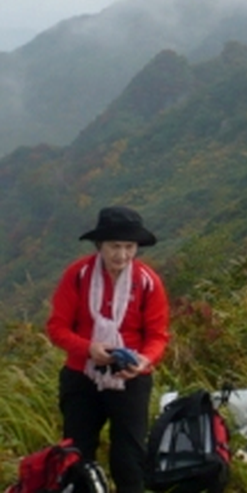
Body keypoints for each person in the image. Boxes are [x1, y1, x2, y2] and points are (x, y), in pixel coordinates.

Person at [46, 206, 170, 493]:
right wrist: (88, 348)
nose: (122, 255)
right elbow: (57, 327)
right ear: (100, 245)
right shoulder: (78, 275)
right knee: (77, 454)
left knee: (129, 458)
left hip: (131, 379)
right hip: (81, 376)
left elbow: (157, 335)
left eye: (129, 247)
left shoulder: (147, 281)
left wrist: (144, 359)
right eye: (115, 246)